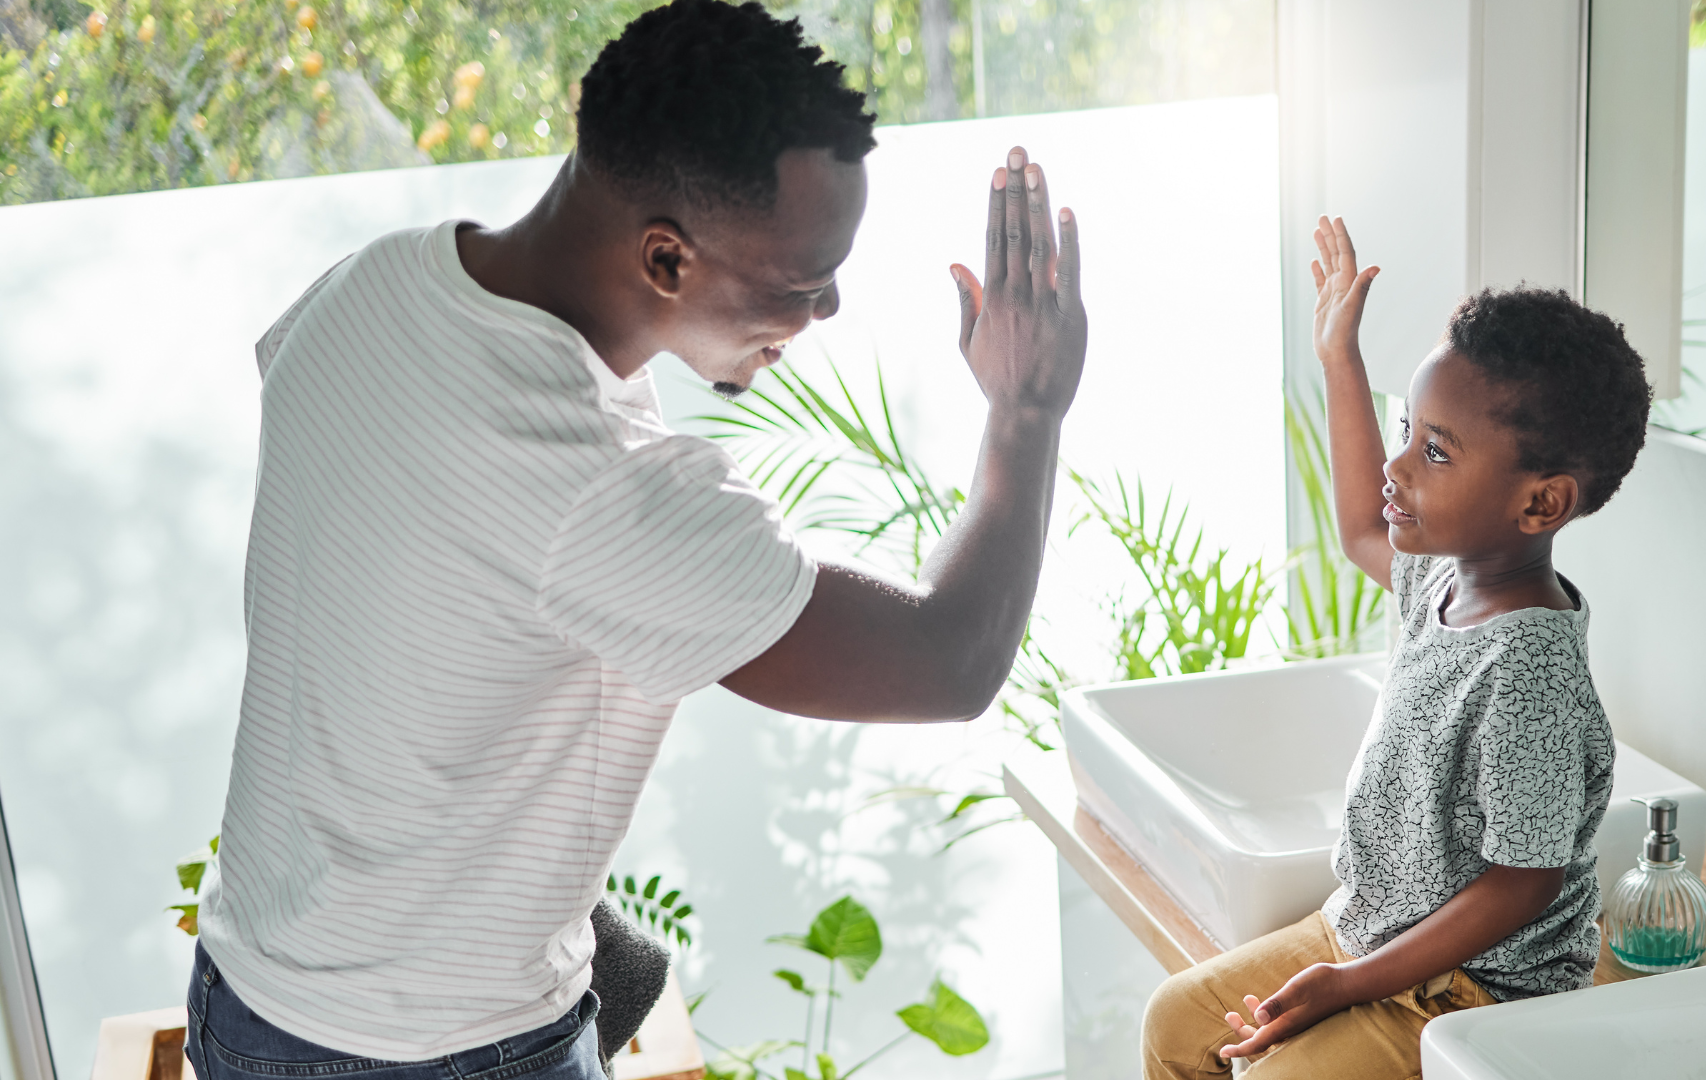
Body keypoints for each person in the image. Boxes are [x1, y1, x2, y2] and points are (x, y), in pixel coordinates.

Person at [183, 2, 1087, 1079]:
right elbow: (949, 660)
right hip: (421, 1053)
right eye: (802, 284)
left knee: (621, 967)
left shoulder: (371, 283)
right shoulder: (594, 481)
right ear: (665, 259)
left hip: (250, 985)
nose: (828, 307)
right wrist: (1025, 412)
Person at [1140, 216, 1653, 1079]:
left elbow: (1521, 883)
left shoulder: (1527, 666)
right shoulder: (1445, 576)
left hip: (1481, 984)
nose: (1401, 466)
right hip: (1373, 923)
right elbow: (1355, 527)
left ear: (1541, 504)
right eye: (1410, 430)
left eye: (1436, 451)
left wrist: (1347, 985)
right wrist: (1342, 359)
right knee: (1174, 1025)